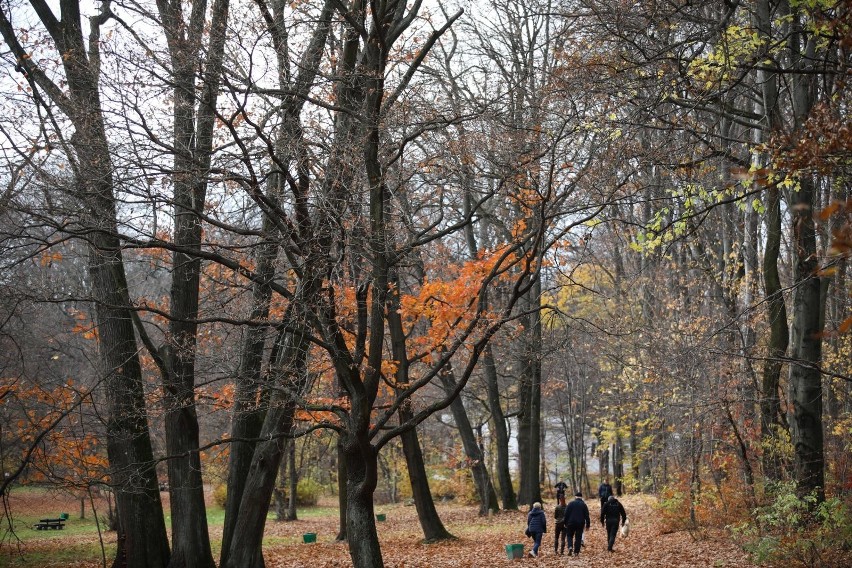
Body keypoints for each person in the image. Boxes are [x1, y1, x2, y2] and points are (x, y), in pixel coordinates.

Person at [563, 491, 590, 556]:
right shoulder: (583, 505)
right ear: (581, 497)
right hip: (580, 523)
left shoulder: (570, 503)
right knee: (578, 537)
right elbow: (587, 515)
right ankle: (576, 552)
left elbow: (566, 514)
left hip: (570, 522)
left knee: (569, 535)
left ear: (575, 497)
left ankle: (570, 547)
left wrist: (565, 522)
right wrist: (588, 525)